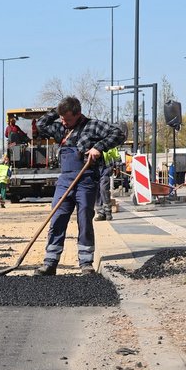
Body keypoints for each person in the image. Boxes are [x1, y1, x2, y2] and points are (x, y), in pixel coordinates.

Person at [32, 96, 125, 276]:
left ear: (78, 114)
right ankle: (50, 262)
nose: (63, 122)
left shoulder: (93, 126)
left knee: (84, 218)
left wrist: (99, 147)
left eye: (67, 119)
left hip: (86, 180)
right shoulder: (61, 127)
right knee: (57, 217)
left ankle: (85, 262)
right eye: (61, 118)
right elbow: (41, 125)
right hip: (65, 180)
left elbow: (119, 133)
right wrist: (57, 110)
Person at [94, 147, 121, 221]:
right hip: (94, 168)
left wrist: (117, 166)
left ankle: (108, 211)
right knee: (97, 190)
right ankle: (100, 213)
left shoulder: (107, 142)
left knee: (103, 189)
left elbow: (116, 155)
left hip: (105, 168)